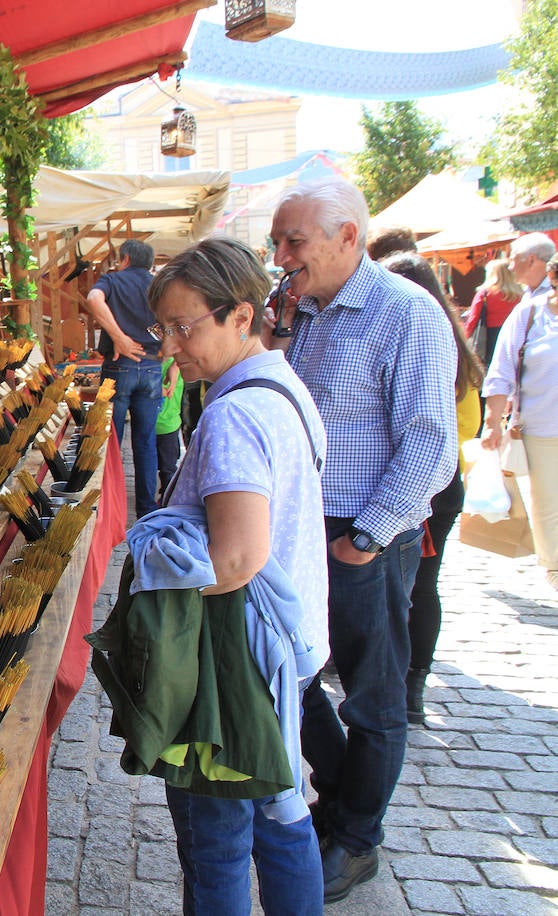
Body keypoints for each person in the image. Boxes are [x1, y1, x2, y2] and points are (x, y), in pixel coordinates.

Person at [268, 177, 457, 904]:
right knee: (299, 674)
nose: (281, 254)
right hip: (307, 531)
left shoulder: (406, 313)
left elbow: (431, 445)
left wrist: (367, 539)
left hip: (363, 534)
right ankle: (344, 806)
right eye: (279, 240)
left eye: (294, 241)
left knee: (372, 699)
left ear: (348, 236)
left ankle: (356, 838)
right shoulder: (307, 313)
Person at [146, 237, 329, 914]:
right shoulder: (282, 386)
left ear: (242, 317)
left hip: (232, 666)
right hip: (280, 647)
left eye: (184, 327)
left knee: (216, 838)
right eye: (161, 328)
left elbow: (234, 559)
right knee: (283, 814)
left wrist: (154, 572)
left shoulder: (231, 415)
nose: (170, 346)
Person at [378, 252, 485, 725]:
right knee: (422, 586)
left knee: (405, 589)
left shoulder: (420, 339)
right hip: (443, 486)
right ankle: (411, 684)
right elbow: (468, 421)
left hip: (421, 487)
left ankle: (402, 681)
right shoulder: (455, 348)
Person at [481, 251, 558, 592]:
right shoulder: (530, 314)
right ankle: (555, 571)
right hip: (543, 429)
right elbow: (501, 370)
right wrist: (492, 421)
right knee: (548, 506)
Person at [83, 239, 162, 517]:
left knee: (111, 442)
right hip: (152, 366)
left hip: (119, 367)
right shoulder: (159, 284)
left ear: (125, 259)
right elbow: (178, 322)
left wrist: (120, 338)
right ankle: (146, 510)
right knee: (145, 441)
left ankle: (110, 509)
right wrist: (159, 345)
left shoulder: (113, 280)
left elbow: (93, 299)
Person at [465, 258, 524, 370]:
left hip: (490, 339)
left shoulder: (485, 294)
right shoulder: (522, 295)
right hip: (516, 336)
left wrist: (463, 339)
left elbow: (473, 320)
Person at [156, 357, 184, 494]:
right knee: (164, 466)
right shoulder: (152, 363)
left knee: (168, 468)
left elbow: (167, 391)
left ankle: (168, 496)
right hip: (155, 424)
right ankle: (166, 493)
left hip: (167, 425)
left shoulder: (176, 365)